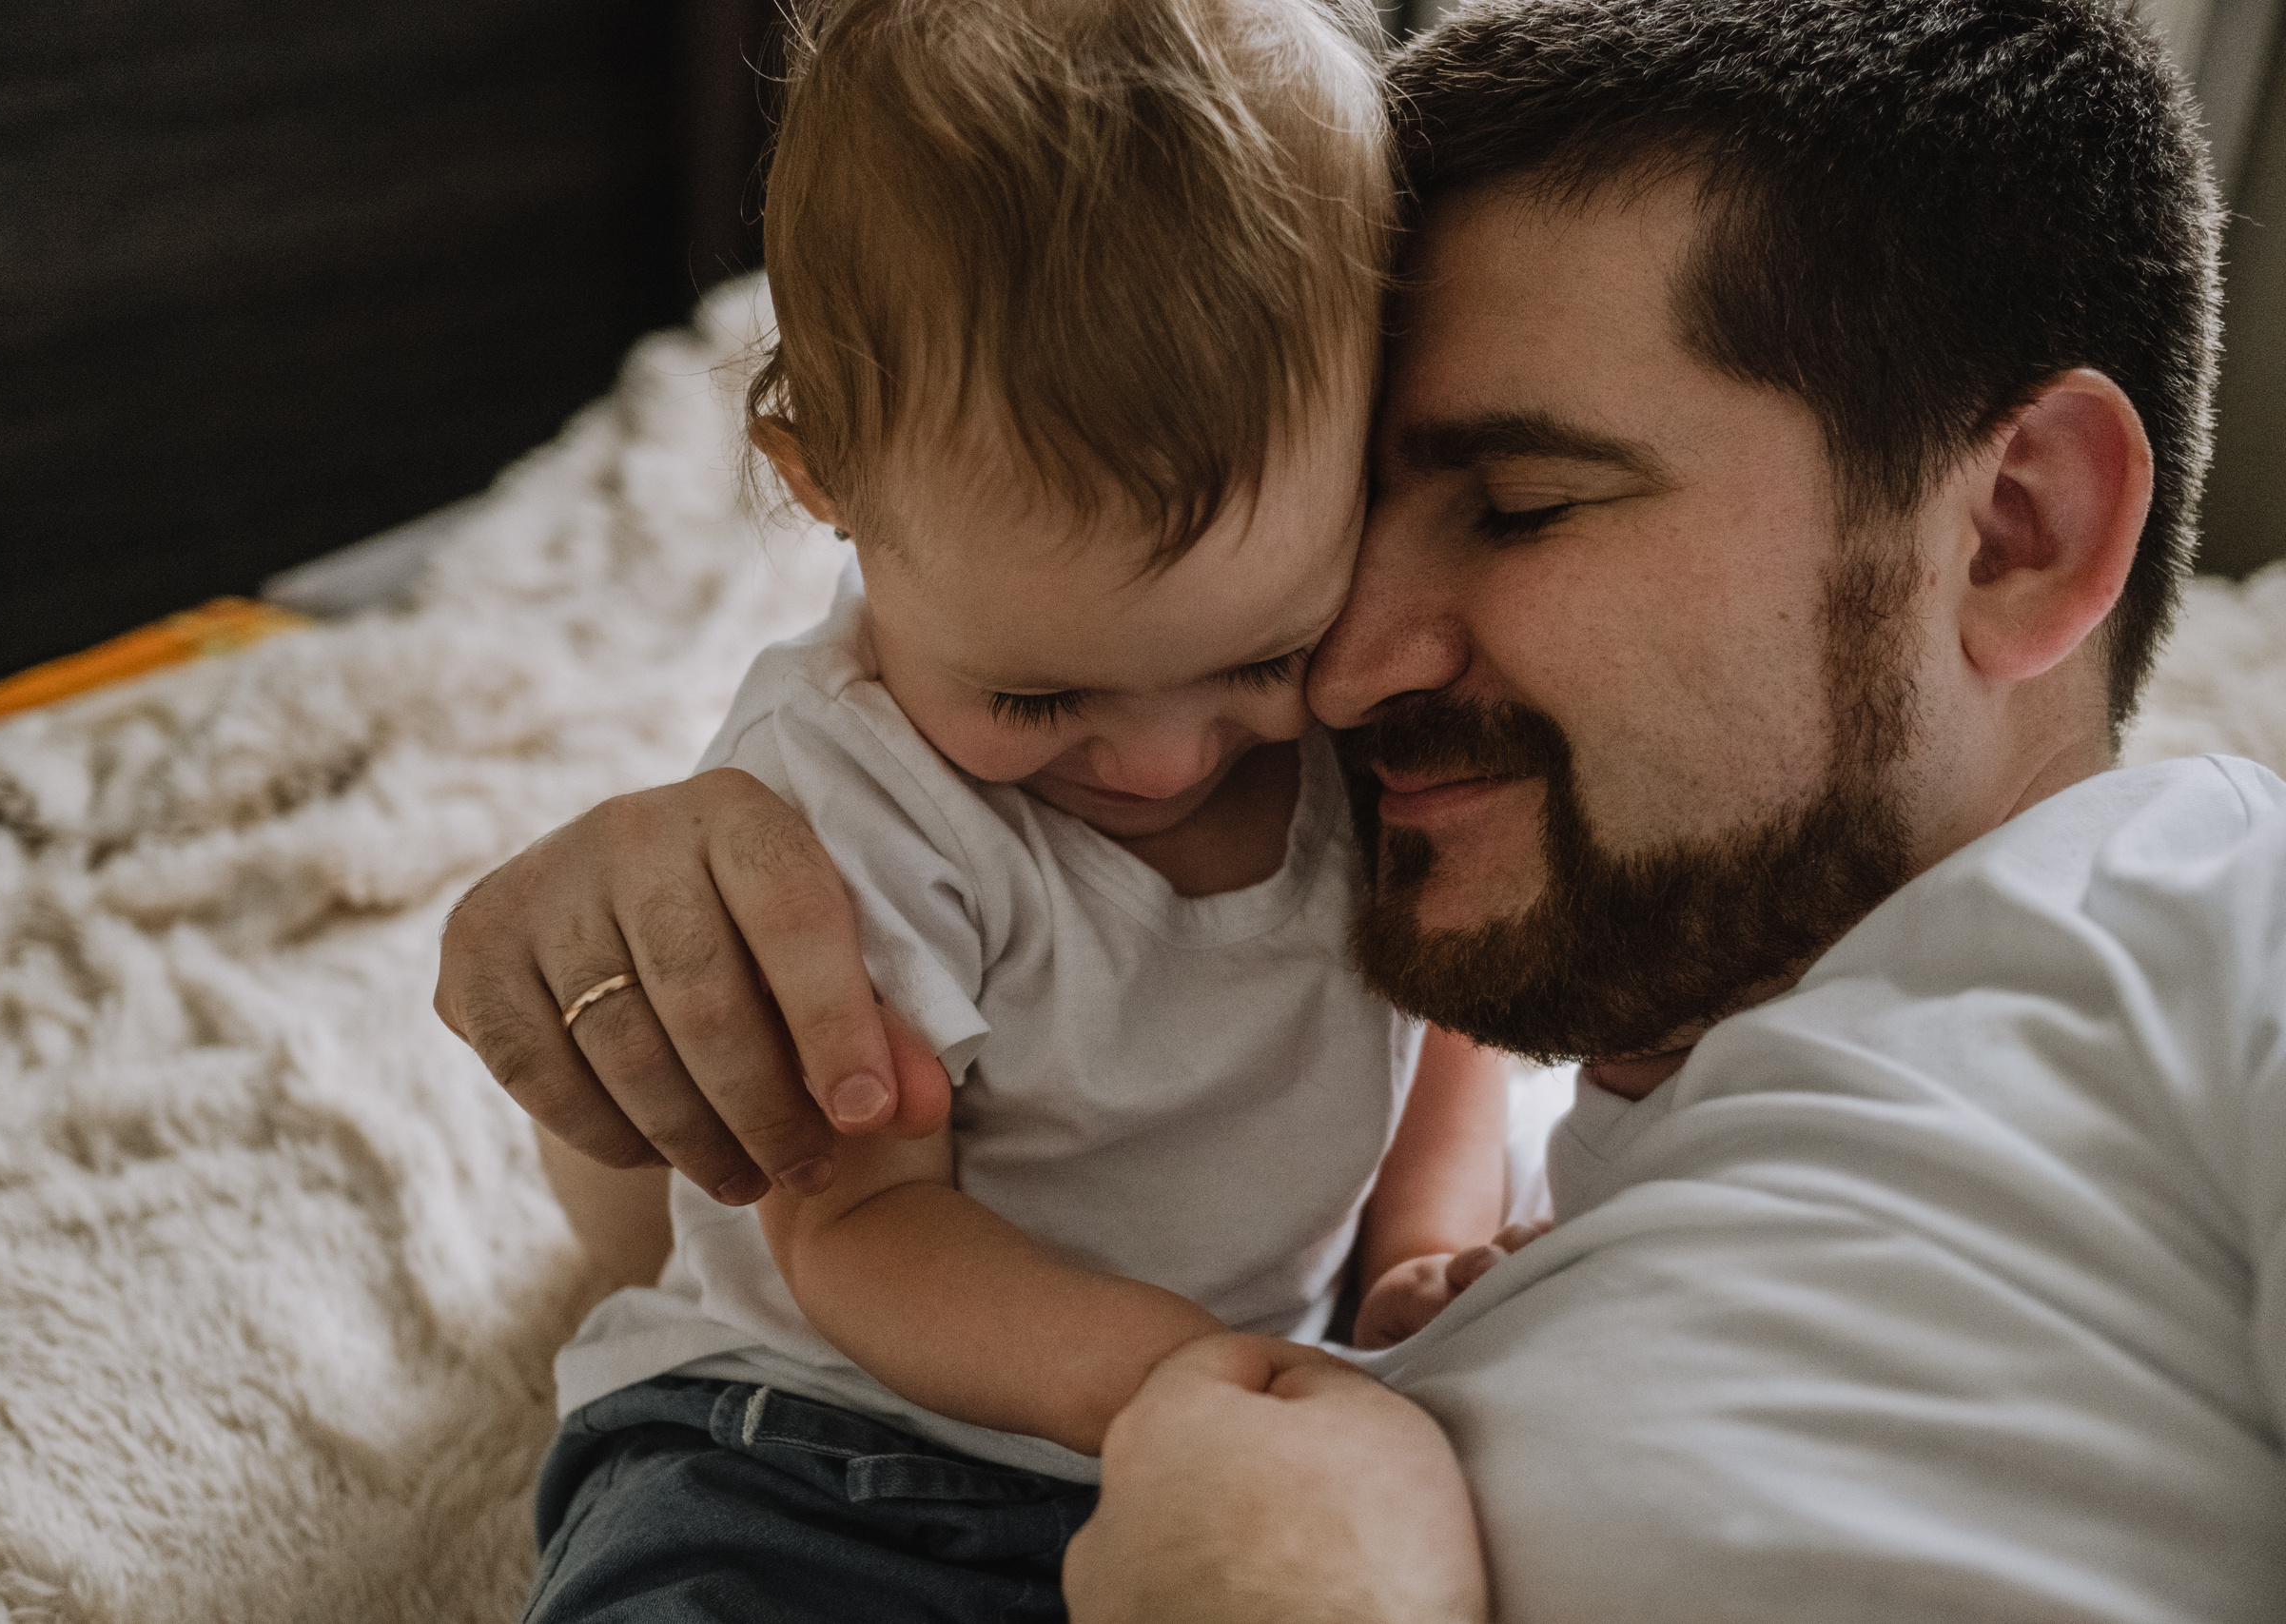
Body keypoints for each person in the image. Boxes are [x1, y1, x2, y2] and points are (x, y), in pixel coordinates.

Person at [440, 0, 2286, 1618]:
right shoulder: (1514, 1129)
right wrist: (636, 956)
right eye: (1355, 532)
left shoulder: (2211, 929)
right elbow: (716, 1245)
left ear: (2015, 526)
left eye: (1516, 501)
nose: (1331, 681)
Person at [494, 2, 1521, 1618]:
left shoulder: (1370, 695)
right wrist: (1185, 1379)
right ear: (827, 476)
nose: (1166, 760)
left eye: (1259, 658)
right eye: (1040, 699)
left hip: (1212, 1426)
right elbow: (867, 1234)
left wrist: (1416, 1256)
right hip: (815, 1434)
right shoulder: (843, 793)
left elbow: (1445, 1005)